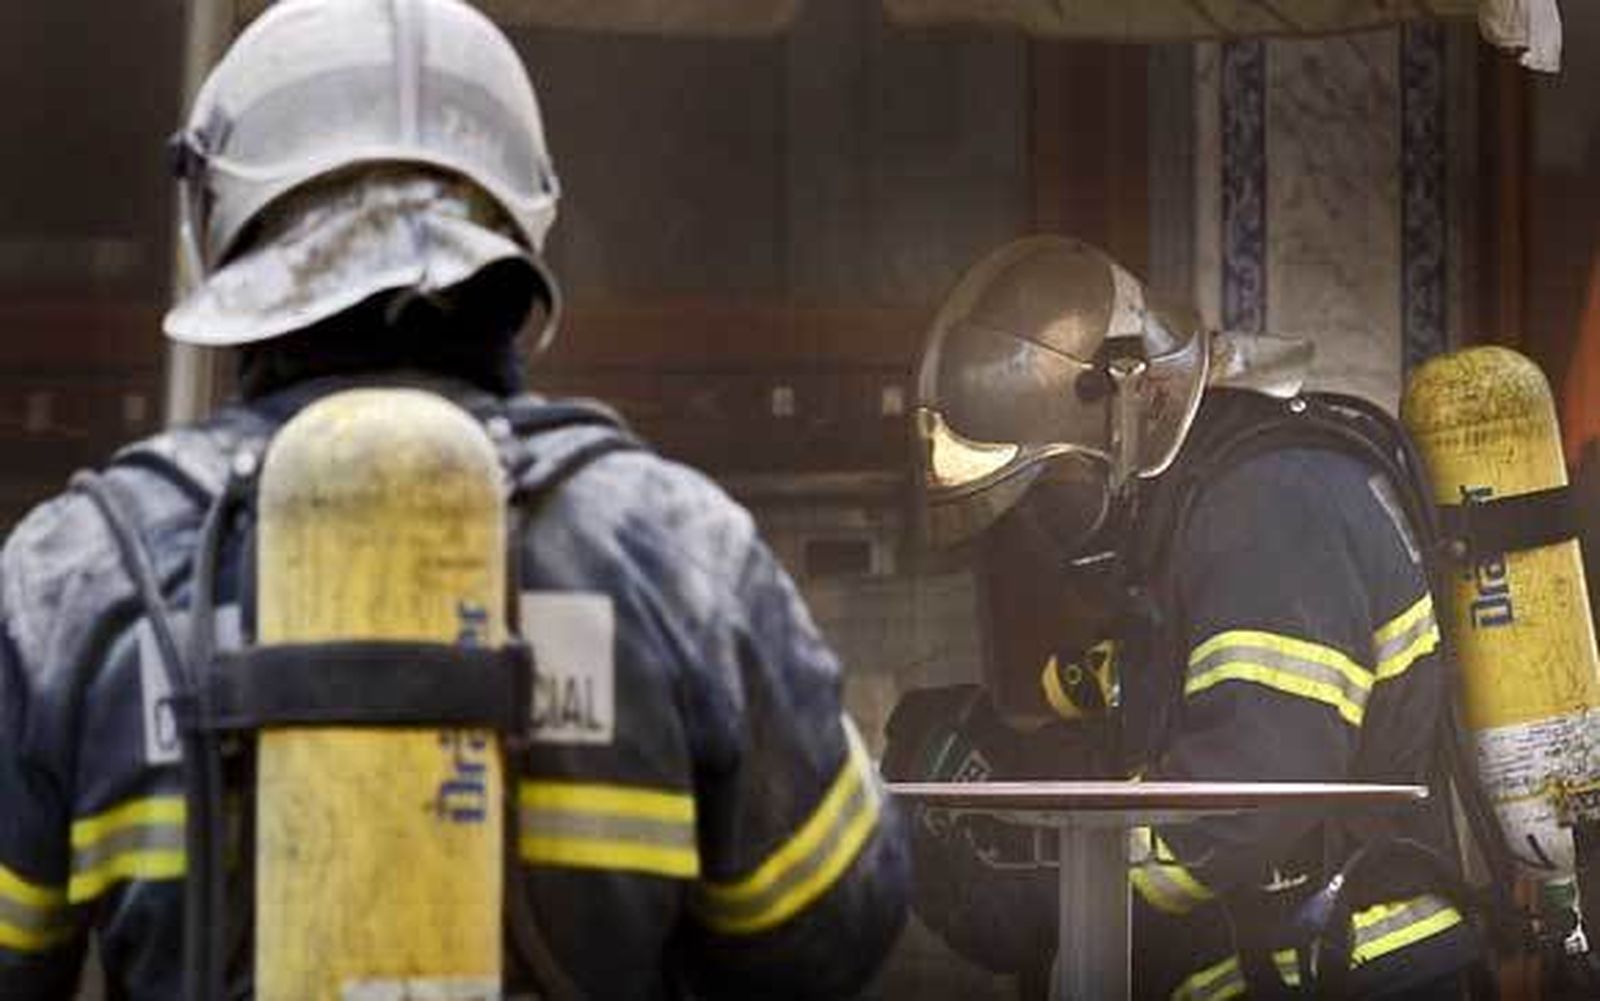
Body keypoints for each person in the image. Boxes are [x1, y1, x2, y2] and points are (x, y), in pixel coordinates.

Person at [0, 1, 908, 998]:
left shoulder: (72, 577)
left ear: (216, 224)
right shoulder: (682, 555)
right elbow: (830, 931)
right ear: (522, 218)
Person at [893, 236, 1482, 999]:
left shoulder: (1270, 507)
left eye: (1050, 490)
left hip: (1355, 967)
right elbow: (1177, 722)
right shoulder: (1204, 503)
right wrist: (1023, 775)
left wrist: (1053, 895)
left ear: (1122, 406)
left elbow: (1251, 790)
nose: (1041, 526)